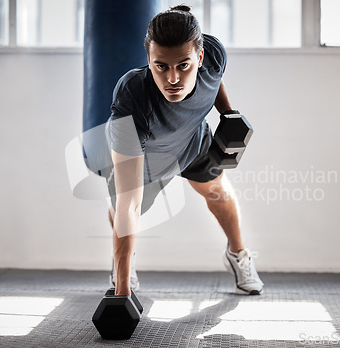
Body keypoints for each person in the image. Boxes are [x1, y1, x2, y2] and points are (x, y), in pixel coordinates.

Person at [105, 5, 264, 296]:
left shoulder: (213, 53)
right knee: (123, 208)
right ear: (149, 60)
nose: (173, 79)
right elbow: (130, 205)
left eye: (184, 65)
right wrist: (122, 296)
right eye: (161, 66)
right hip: (147, 157)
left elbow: (213, 79)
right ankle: (123, 268)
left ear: (200, 57)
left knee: (218, 192)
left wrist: (227, 113)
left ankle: (238, 254)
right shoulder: (132, 97)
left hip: (193, 140)